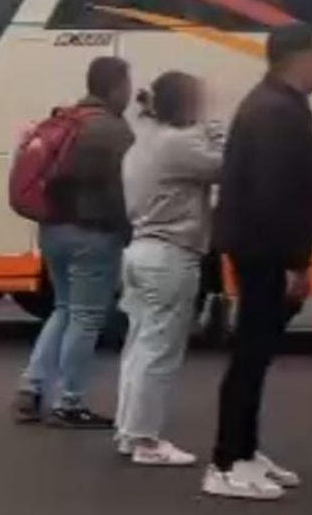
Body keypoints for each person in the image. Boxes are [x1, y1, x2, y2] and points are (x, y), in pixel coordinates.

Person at [201, 24, 312, 501]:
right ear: (301, 57)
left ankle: (246, 451)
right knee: (250, 356)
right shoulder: (275, 112)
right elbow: (276, 196)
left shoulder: (277, 103)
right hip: (262, 251)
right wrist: (297, 263)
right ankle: (226, 461)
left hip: (260, 248)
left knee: (256, 353)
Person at [13, 56, 134, 429]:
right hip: (92, 233)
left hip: (52, 229)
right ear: (115, 87)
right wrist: (128, 230)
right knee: (85, 317)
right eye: (127, 85)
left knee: (63, 309)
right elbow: (124, 190)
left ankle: (32, 386)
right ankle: (70, 401)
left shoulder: (64, 120)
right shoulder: (113, 131)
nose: (130, 92)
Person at [115, 72, 223, 466]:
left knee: (139, 346)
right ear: (186, 104)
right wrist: (215, 133)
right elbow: (228, 166)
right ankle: (145, 440)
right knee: (160, 350)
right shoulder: (179, 144)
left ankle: (130, 433)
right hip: (171, 254)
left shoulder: (142, 143)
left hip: (141, 251)